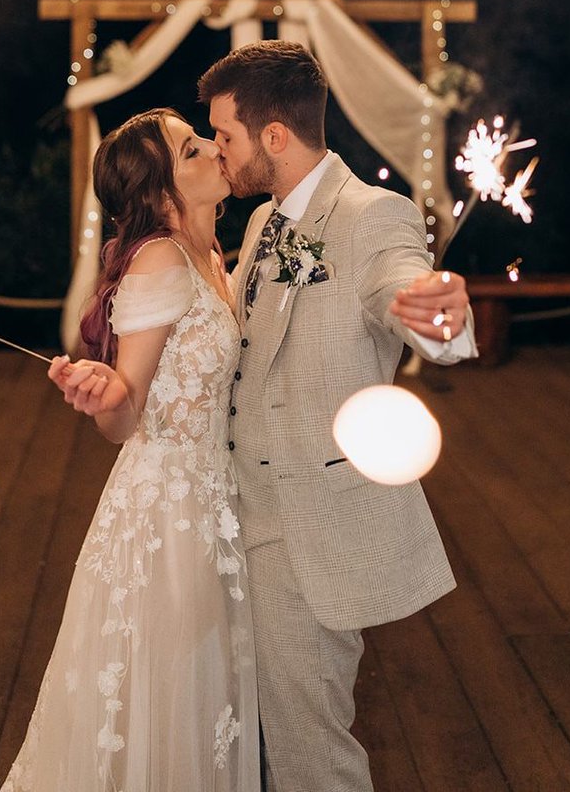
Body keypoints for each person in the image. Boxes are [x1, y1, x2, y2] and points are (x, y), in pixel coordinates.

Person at [196, 40, 477, 792]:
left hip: (305, 520)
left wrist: (436, 316)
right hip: (235, 516)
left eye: (225, 135)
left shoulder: (370, 215)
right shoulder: (259, 227)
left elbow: (402, 283)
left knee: (307, 743)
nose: (217, 151)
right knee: (256, 725)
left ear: (274, 137)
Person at [0, 108, 260, 792]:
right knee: (167, 684)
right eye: (190, 148)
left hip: (216, 500)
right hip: (165, 520)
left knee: (204, 691)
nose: (211, 148)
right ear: (157, 193)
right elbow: (125, 412)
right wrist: (103, 395)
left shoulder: (212, 257)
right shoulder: (159, 259)